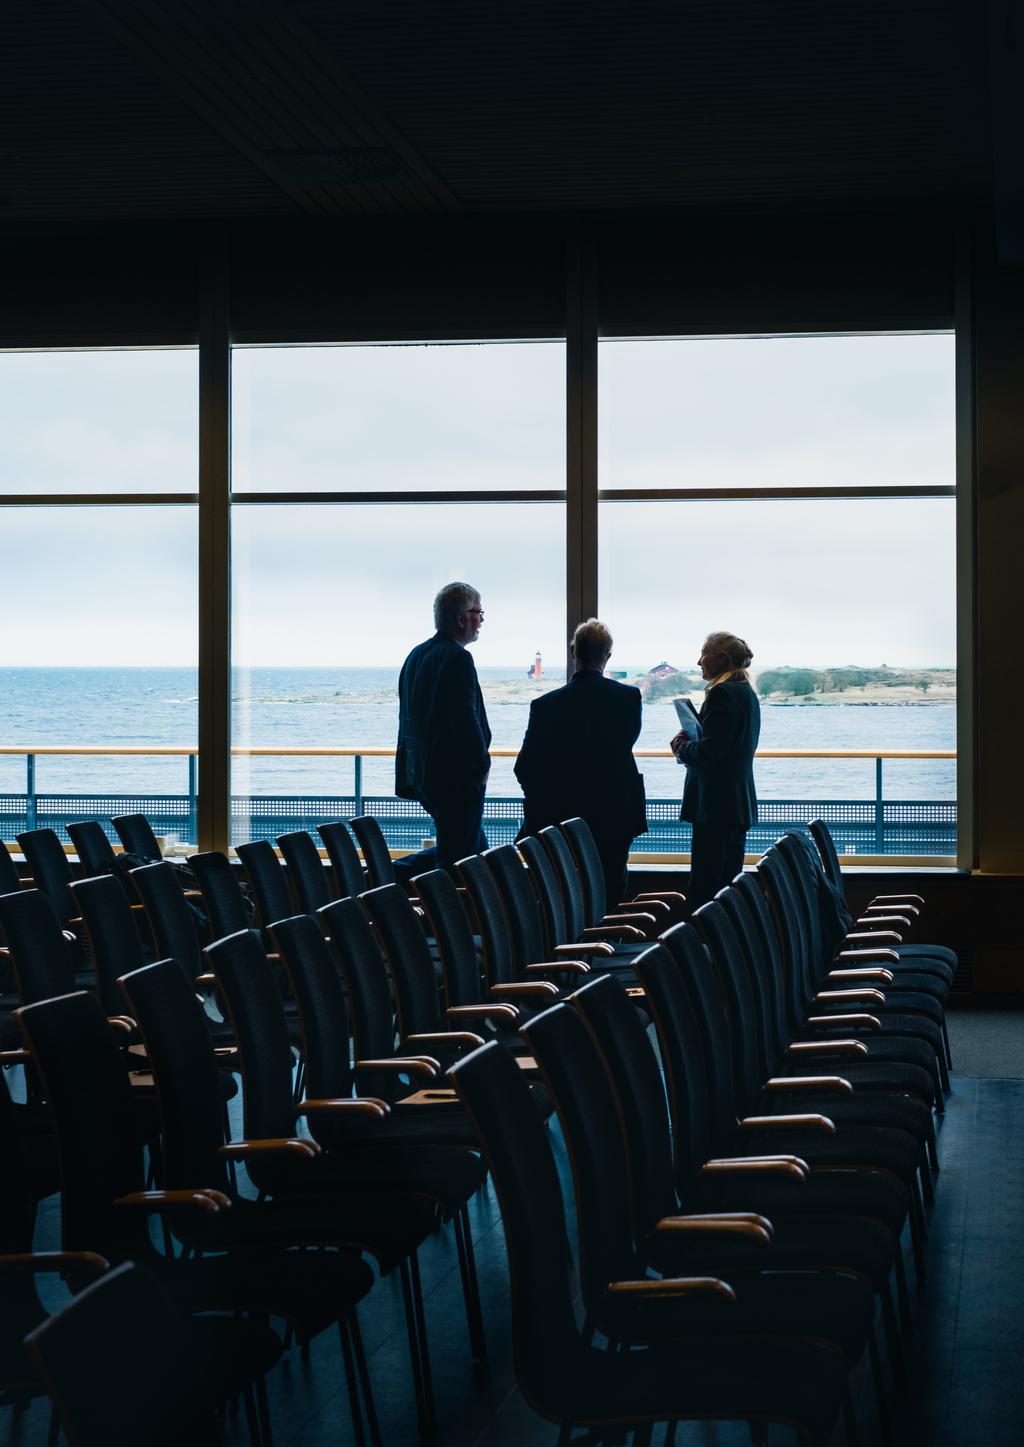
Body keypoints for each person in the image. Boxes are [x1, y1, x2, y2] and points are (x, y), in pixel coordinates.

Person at [515, 618, 646, 907]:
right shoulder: (628, 698)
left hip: (558, 818)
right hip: (614, 813)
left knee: (559, 891)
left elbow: (524, 767)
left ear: (574, 652)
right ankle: (608, 943)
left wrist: (545, 800)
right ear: (607, 656)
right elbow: (622, 747)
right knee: (610, 885)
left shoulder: (545, 705)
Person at [395, 582, 492, 881]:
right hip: (456, 781)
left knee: (475, 850)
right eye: (478, 612)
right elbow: (465, 721)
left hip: (424, 776)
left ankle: (387, 876)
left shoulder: (416, 655)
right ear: (462, 618)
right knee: (459, 864)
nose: (482, 620)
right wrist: (482, 766)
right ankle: (388, 879)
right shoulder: (458, 658)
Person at [670, 630, 759, 913]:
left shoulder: (722, 693)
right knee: (727, 887)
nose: (699, 662)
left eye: (703, 654)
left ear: (720, 659)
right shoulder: (745, 692)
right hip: (735, 803)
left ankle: (703, 953)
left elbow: (710, 752)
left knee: (705, 891)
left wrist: (682, 747)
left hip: (715, 805)